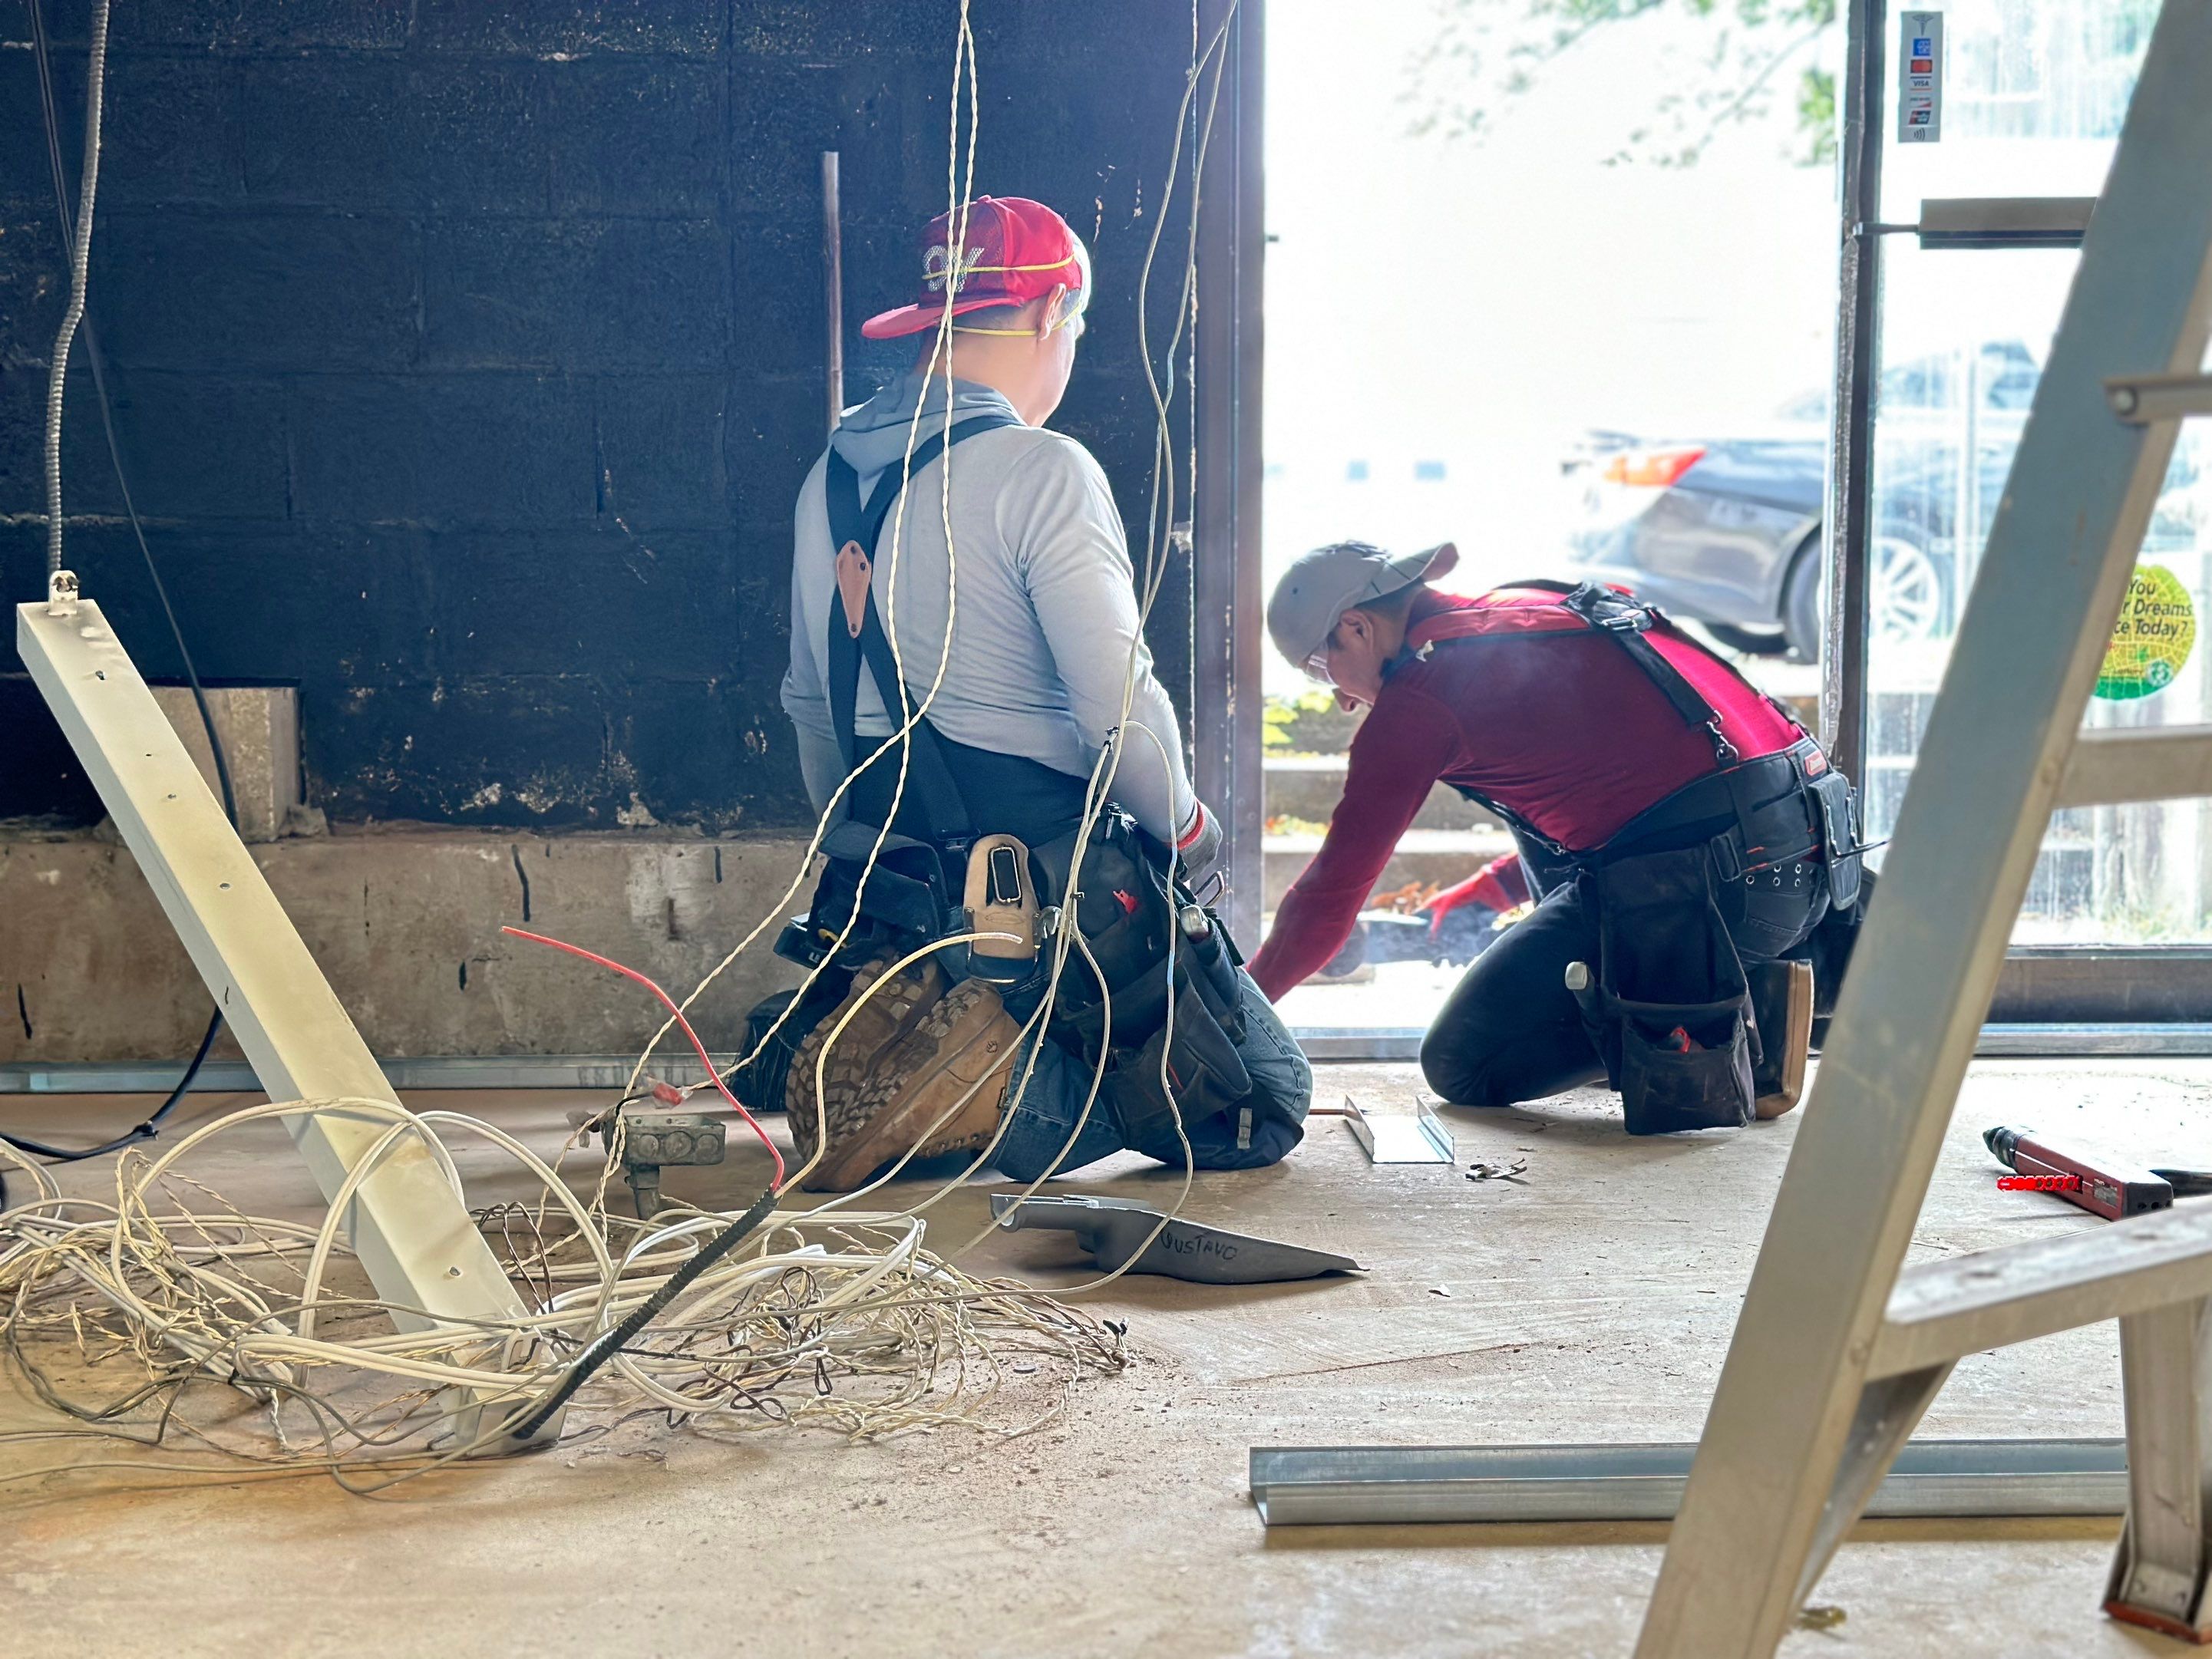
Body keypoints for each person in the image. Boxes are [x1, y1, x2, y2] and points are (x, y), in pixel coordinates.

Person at [775, 195, 1310, 1190]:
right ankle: (988, 1082)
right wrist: (1188, 831)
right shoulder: (1038, 465)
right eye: (1072, 328)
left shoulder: (830, 475)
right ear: (1043, 317)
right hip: (1043, 870)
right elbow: (1118, 705)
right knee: (1258, 1105)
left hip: (887, 874)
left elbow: (811, 706)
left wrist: (865, 846)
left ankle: (918, 1040)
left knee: (1048, 1038)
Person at [1250, 540, 1865, 1132]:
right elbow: (1636, 787)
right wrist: (1492, 890)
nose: (1337, 699)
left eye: (1316, 669)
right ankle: (1764, 966)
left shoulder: (1421, 700)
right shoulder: (1536, 603)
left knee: (1464, 1064)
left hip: (1723, 897)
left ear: (1356, 628)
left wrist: (1236, 1017)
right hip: (1818, 852)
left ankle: (1731, 1015)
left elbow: (1326, 901)